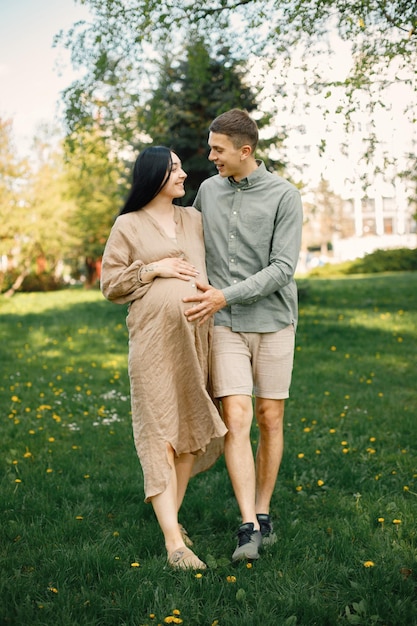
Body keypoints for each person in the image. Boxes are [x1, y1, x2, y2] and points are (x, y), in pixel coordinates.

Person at [183, 109, 303, 562]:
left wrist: (223, 295)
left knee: (270, 418)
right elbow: (189, 241)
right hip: (226, 324)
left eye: (217, 149)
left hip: (273, 321)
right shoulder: (207, 193)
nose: (210, 156)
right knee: (237, 416)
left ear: (244, 151)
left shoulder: (285, 196)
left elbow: (282, 269)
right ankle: (247, 525)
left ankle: (264, 508)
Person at [100, 146, 227, 570]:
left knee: (190, 430)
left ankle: (170, 518)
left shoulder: (193, 219)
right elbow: (110, 283)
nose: (183, 173)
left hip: (196, 339)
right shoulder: (128, 225)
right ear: (153, 175)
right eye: (173, 168)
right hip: (154, 343)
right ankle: (175, 544)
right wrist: (154, 270)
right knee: (160, 435)